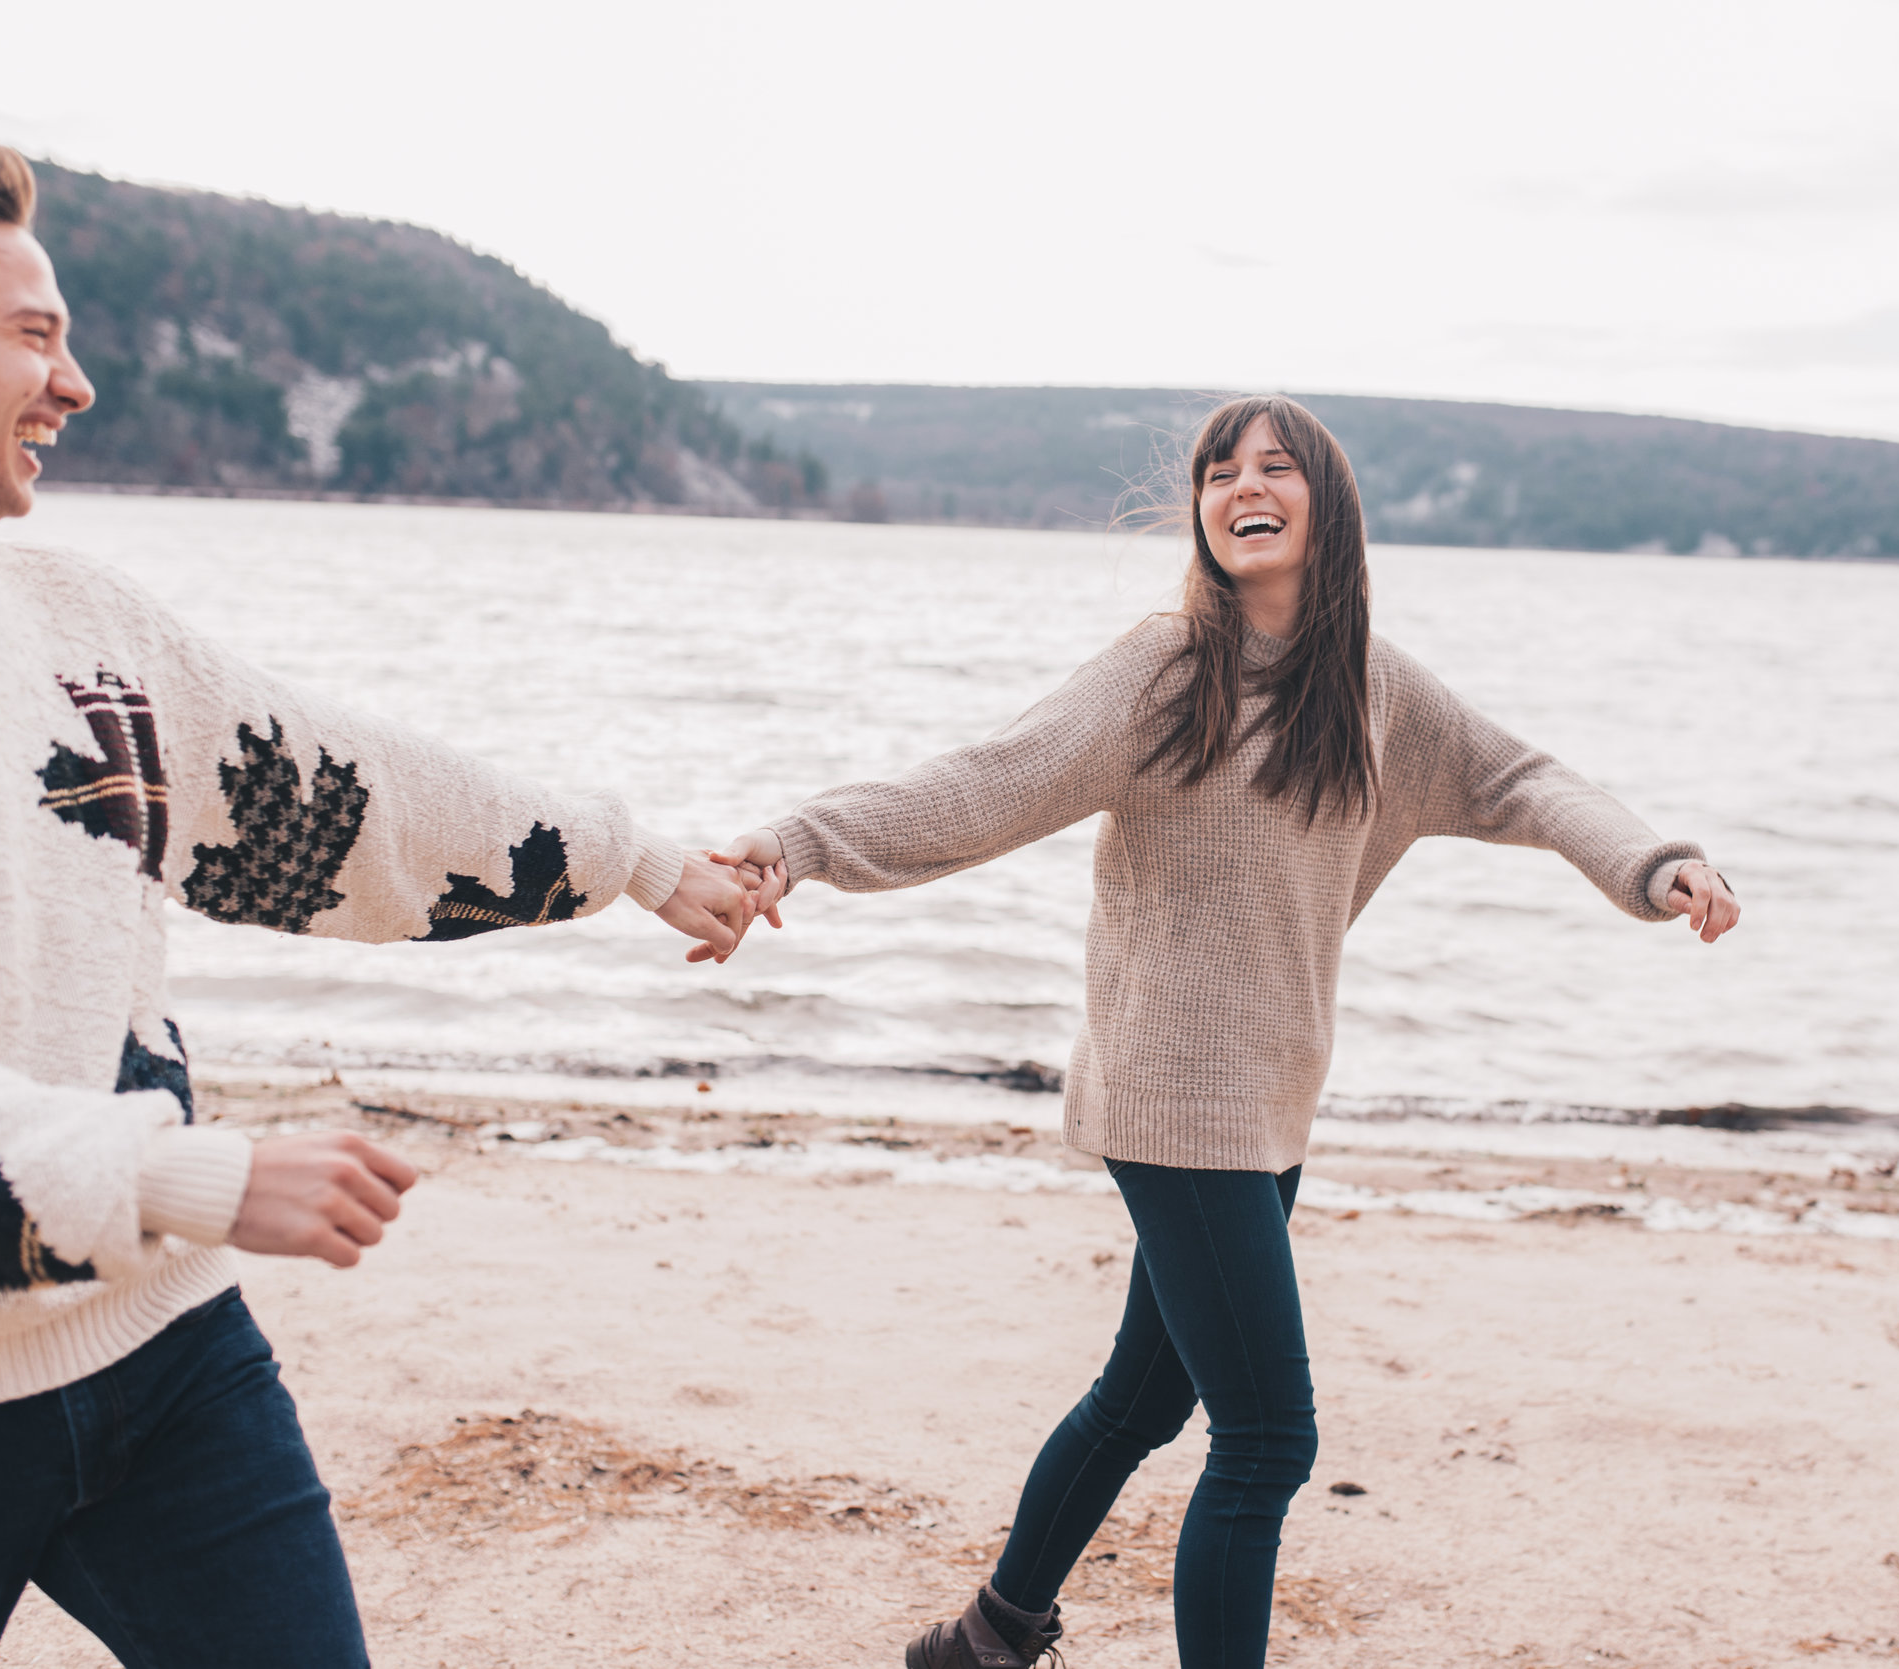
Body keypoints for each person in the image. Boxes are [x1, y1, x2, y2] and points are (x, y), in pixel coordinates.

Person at [0, 139, 760, 1668]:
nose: (75, 384)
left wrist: (630, 857)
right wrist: (175, 1173)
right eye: (33, 334)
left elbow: (337, 800)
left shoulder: (76, 627)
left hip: (160, 1355)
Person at [719, 394, 1741, 1669]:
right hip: (1171, 1094)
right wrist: (800, 844)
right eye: (1216, 472)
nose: (1237, 488)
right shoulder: (1163, 669)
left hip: (1269, 1102)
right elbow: (988, 781)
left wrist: (1655, 864)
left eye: (1271, 467)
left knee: (1141, 1399)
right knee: (1267, 1438)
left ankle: (984, 1640)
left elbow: (1519, 779)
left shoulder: (1372, 688)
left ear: (1326, 503)